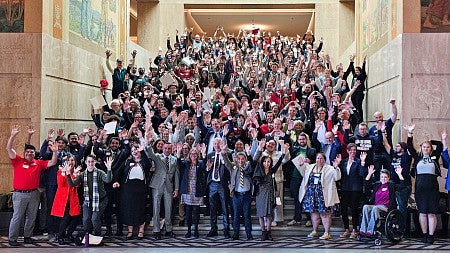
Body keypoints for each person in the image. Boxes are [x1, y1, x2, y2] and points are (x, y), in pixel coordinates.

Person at [6, 126, 58, 247]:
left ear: (35, 154)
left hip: (34, 193)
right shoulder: (18, 160)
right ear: (24, 153)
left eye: (32, 152)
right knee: (17, 217)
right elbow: (9, 148)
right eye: (27, 152)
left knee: (32, 216)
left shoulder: (38, 163)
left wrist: (55, 152)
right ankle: (12, 238)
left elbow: (53, 162)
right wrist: (13, 135)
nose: (29, 153)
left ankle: (27, 236)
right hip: (19, 194)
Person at [405, 124, 443, 244]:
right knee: (422, 212)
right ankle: (424, 234)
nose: (426, 149)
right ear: (421, 148)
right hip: (420, 187)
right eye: (424, 147)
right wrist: (410, 133)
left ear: (431, 149)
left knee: (431, 213)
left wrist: (431, 141)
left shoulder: (435, 157)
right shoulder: (417, 157)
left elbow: (440, 146)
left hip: (432, 187)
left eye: (428, 147)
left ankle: (431, 235)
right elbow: (410, 147)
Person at [297, 153, 342, 240]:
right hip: (312, 194)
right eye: (317, 158)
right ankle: (314, 230)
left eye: (321, 158)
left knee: (325, 214)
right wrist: (301, 165)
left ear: (324, 160)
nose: (319, 160)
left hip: (324, 195)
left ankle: (327, 232)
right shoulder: (310, 167)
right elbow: (303, 174)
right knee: (314, 214)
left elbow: (337, 177)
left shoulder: (329, 168)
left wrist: (336, 167)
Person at [112, 144, 152, 240]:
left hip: (141, 189)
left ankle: (141, 231)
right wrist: (116, 181)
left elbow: (149, 166)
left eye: (137, 150)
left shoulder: (144, 161)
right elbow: (118, 171)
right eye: (133, 150)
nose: (135, 151)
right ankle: (130, 231)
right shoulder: (127, 161)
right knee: (129, 209)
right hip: (128, 189)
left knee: (140, 209)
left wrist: (143, 151)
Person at [67, 155, 113, 237]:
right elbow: (72, 184)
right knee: (86, 219)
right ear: (85, 162)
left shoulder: (100, 172)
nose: (90, 163)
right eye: (88, 161)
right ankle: (88, 235)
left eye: (92, 161)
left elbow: (108, 180)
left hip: (101, 200)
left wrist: (109, 169)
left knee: (94, 219)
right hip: (88, 200)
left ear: (95, 162)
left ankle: (97, 235)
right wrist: (68, 174)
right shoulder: (82, 174)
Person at [252, 139, 287, 241]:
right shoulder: (259, 170)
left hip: (270, 193)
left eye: (269, 162)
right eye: (265, 161)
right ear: (262, 162)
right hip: (260, 193)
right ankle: (263, 231)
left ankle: (268, 231)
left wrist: (284, 151)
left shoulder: (272, 171)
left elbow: (280, 160)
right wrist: (260, 148)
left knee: (269, 214)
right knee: (261, 214)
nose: (266, 163)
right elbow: (254, 160)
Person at [144, 141, 179, 240]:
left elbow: (176, 175)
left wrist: (176, 188)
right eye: (165, 148)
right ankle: (156, 230)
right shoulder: (157, 157)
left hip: (169, 186)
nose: (167, 150)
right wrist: (148, 142)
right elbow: (150, 153)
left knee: (168, 209)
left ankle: (169, 230)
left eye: (169, 148)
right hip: (157, 185)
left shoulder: (174, 159)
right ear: (162, 149)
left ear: (172, 149)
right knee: (156, 208)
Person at [223, 148, 256, 240]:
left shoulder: (248, 166)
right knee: (236, 215)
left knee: (247, 215)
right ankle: (236, 233)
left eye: (242, 159)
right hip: (236, 195)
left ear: (245, 159)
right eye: (239, 159)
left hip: (246, 195)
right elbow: (226, 162)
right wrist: (223, 153)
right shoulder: (233, 167)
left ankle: (249, 233)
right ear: (236, 159)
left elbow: (254, 160)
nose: (240, 161)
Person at [359, 167, 401, 235]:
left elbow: (402, 186)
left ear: (388, 178)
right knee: (366, 207)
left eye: (385, 177)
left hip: (385, 207)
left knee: (376, 208)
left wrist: (399, 174)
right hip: (376, 205)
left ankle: (371, 230)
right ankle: (363, 229)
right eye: (382, 177)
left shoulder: (391, 185)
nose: (383, 179)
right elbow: (367, 184)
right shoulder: (377, 185)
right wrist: (369, 174)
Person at [177, 145, 207, 238]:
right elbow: (179, 164)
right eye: (192, 154)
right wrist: (178, 153)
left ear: (197, 155)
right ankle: (189, 230)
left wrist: (204, 154)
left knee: (196, 211)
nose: (193, 155)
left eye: (195, 154)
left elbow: (204, 165)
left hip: (197, 190)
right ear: (189, 155)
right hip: (187, 190)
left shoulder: (200, 163)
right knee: (188, 211)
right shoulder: (186, 164)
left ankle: (196, 230)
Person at [204, 137, 231, 238]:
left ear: (222, 144)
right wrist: (208, 168)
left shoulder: (227, 154)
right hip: (212, 184)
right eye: (215, 143)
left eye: (218, 143)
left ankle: (226, 229)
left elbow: (229, 168)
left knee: (225, 207)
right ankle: (213, 228)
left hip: (222, 184)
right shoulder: (210, 155)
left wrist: (223, 156)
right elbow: (206, 168)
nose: (216, 145)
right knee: (212, 208)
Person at [51, 156, 81, 245]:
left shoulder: (77, 172)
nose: (70, 162)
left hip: (73, 199)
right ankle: (60, 236)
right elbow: (61, 183)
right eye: (68, 160)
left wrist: (74, 174)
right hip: (63, 199)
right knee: (65, 219)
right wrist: (65, 172)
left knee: (75, 218)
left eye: (72, 160)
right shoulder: (61, 172)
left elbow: (77, 184)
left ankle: (68, 234)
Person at [338, 144, 366, 239]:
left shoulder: (358, 161)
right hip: (345, 188)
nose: (353, 152)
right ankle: (346, 229)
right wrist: (336, 166)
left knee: (354, 210)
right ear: (347, 151)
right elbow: (340, 175)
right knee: (344, 209)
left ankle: (354, 230)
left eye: (354, 150)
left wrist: (362, 162)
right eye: (351, 150)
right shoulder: (344, 162)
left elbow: (362, 173)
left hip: (355, 189)